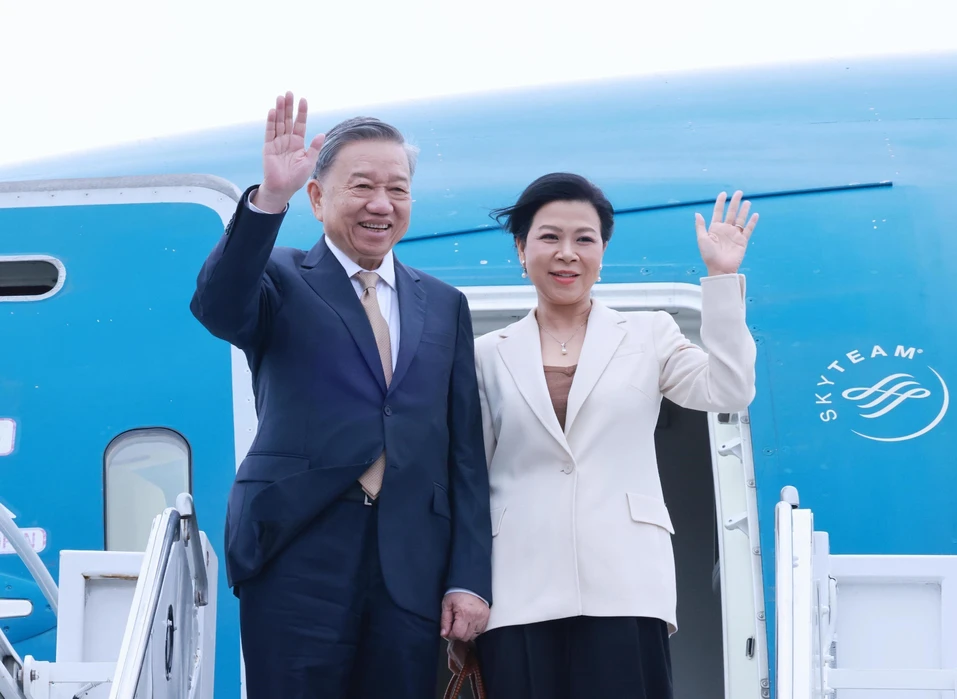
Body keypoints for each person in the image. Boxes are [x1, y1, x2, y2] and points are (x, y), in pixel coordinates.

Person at [189, 92, 492, 699]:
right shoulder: (278, 274)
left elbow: (463, 454)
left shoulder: (444, 304)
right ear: (318, 197)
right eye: (362, 186)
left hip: (411, 563)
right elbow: (218, 307)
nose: (381, 204)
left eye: (397, 189)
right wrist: (266, 199)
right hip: (296, 551)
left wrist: (470, 577)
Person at [455, 173, 758, 698]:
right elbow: (469, 477)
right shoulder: (486, 353)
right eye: (549, 237)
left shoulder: (651, 333)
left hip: (626, 581)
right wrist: (463, 586)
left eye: (584, 239)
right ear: (521, 249)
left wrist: (722, 281)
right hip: (515, 586)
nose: (566, 253)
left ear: (602, 250)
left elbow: (729, 390)